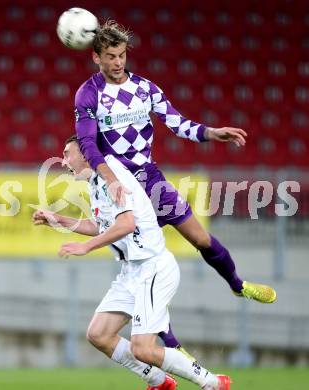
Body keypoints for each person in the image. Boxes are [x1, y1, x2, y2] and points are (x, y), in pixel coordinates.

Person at [73, 20, 277, 349]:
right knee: (144, 267)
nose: (118, 62)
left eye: (122, 55)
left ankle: (238, 285)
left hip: (152, 181)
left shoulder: (145, 89)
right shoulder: (89, 93)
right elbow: (87, 144)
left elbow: (177, 123)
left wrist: (212, 133)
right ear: (96, 58)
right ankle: (173, 347)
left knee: (201, 238)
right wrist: (110, 179)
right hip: (124, 191)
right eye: (110, 56)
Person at [33, 135, 232, 390]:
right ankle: (159, 382)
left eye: (67, 153)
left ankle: (213, 383)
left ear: (86, 153)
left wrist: (86, 248)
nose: (63, 161)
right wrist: (57, 219)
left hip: (153, 268)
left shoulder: (113, 176)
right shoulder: (96, 182)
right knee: (99, 335)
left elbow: (127, 224)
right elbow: (100, 226)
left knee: (143, 349)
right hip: (132, 271)